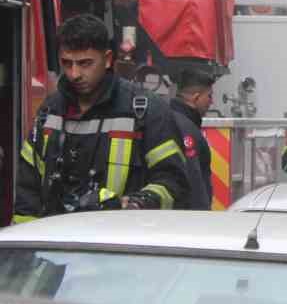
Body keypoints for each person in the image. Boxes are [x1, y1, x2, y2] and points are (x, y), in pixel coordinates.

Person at [12, 15, 190, 221]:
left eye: (85, 63)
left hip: (118, 245)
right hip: (57, 246)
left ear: (107, 59)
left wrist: (134, 204)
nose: (74, 74)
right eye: (67, 63)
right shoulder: (50, 111)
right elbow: (28, 189)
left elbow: (174, 183)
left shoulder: (146, 111)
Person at [170, 69, 217, 210]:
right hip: (189, 220)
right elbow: (195, 182)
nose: (212, 102)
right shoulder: (186, 129)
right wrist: (202, 219)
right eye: (209, 96)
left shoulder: (168, 118)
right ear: (196, 98)